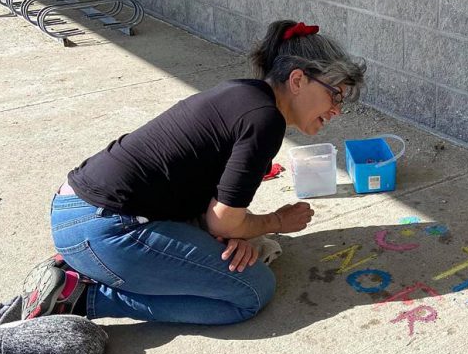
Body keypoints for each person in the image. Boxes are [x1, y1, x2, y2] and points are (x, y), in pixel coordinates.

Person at [20, 19, 366, 325]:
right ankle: (82, 297)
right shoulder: (265, 121)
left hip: (80, 211)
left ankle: (82, 270)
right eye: (335, 95)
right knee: (251, 292)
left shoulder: (244, 94)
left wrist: (235, 233)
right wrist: (274, 222)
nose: (337, 110)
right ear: (297, 79)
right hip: (105, 228)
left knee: (240, 249)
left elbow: (214, 206)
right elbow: (223, 220)